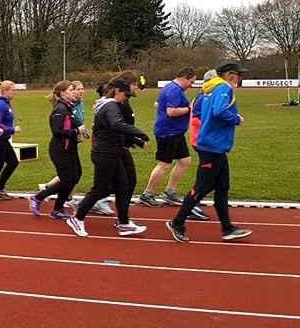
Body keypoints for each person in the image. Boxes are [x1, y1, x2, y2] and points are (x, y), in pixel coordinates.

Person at [167, 61, 254, 243]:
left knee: (222, 187)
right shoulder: (223, 88)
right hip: (212, 145)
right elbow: (219, 111)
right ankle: (177, 222)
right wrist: (236, 118)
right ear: (230, 74)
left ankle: (227, 228)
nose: (240, 78)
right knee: (202, 187)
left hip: (214, 144)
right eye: (238, 74)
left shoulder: (208, 89)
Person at [65, 78, 150, 238]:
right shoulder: (111, 106)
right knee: (100, 188)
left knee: (123, 187)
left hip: (113, 152)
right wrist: (138, 132)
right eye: (126, 94)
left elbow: (115, 128)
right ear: (117, 91)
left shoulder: (110, 104)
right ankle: (77, 218)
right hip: (105, 154)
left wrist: (136, 140)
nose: (127, 98)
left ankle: (124, 223)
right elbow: (116, 124)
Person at [140, 68, 197, 207]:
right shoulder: (174, 90)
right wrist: (190, 109)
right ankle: (147, 194)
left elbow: (157, 104)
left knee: (184, 161)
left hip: (176, 132)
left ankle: (170, 192)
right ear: (184, 77)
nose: (192, 85)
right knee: (164, 164)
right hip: (168, 132)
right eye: (191, 81)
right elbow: (171, 111)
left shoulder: (170, 88)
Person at [29, 81, 82, 220]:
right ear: (63, 93)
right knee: (67, 180)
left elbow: (71, 124)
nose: (74, 92)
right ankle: (39, 198)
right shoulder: (60, 109)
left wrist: (80, 132)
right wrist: (76, 131)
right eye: (71, 90)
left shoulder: (68, 106)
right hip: (60, 150)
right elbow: (57, 132)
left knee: (76, 176)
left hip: (70, 148)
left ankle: (57, 208)